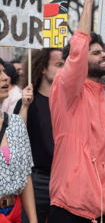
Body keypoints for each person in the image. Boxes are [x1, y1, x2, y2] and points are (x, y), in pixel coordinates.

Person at [47, 0, 105, 223]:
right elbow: (77, 53)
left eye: (104, 51)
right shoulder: (66, 91)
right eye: (96, 52)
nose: (104, 56)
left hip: (102, 207)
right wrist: (88, 2)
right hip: (68, 205)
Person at [13, 48, 64, 223]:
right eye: (59, 65)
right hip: (36, 181)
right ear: (42, 68)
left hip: (64, 180)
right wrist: (25, 107)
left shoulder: (68, 103)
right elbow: (16, 139)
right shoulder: (27, 101)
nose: (64, 70)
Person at [0, 57, 37, 223]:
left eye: (4, 72)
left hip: (14, 212)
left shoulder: (15, 123)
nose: (5, 77)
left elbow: (26, 175)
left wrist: (33, 220)